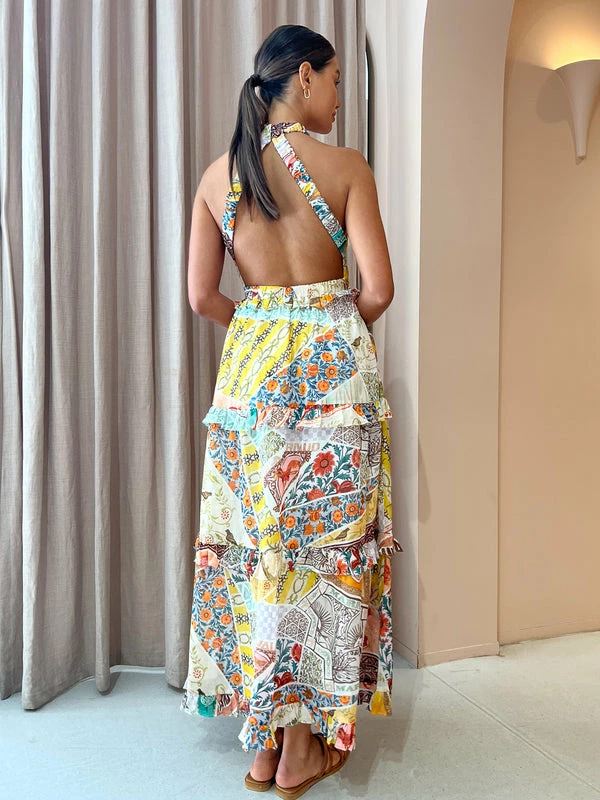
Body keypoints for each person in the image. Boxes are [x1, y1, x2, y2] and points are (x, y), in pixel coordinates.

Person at [180, 23, 401, 799]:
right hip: (334, 387)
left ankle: (266, 744)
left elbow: (202, 296)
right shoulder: (345, 167)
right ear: (303, 77)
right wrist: (330, 329)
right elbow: (379, 289)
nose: (339, 98)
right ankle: (303, 747)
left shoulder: (219, 176)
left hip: (251, 389)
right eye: (335, 81)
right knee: (324, 559)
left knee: (260, 554)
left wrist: (260, 327)